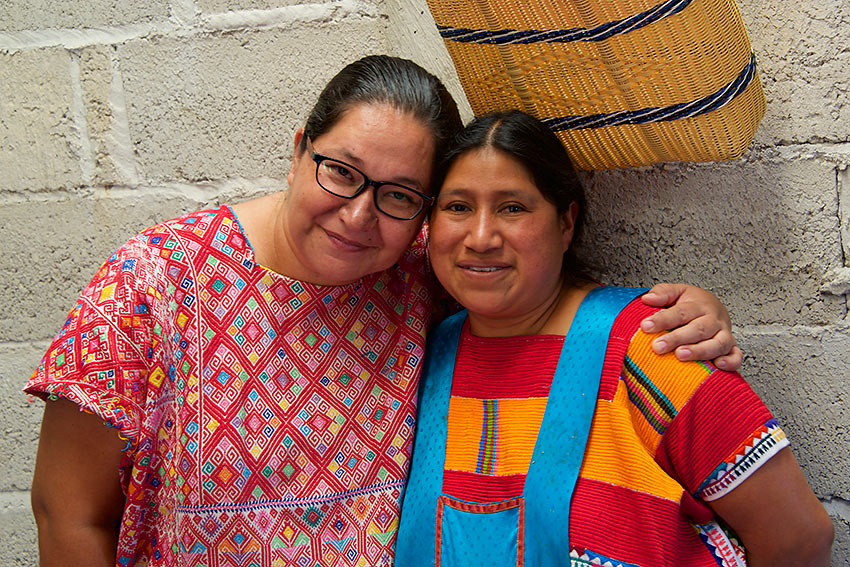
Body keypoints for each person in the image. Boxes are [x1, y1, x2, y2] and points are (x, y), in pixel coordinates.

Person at [27, 57, 742, 567]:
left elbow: (526, 279)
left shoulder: (412, 270)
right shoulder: (151, 283)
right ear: (299, 150)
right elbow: (69, 511)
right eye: (340, 171)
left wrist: (685, 310)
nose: (359, 214)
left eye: (400, 195)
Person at [395, 110, 834, 567]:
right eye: (458, 207)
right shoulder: (421, 356)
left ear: (566, 223)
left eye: (513, 208)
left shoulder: (652, 347)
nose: (481, 237)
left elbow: (800, 538)